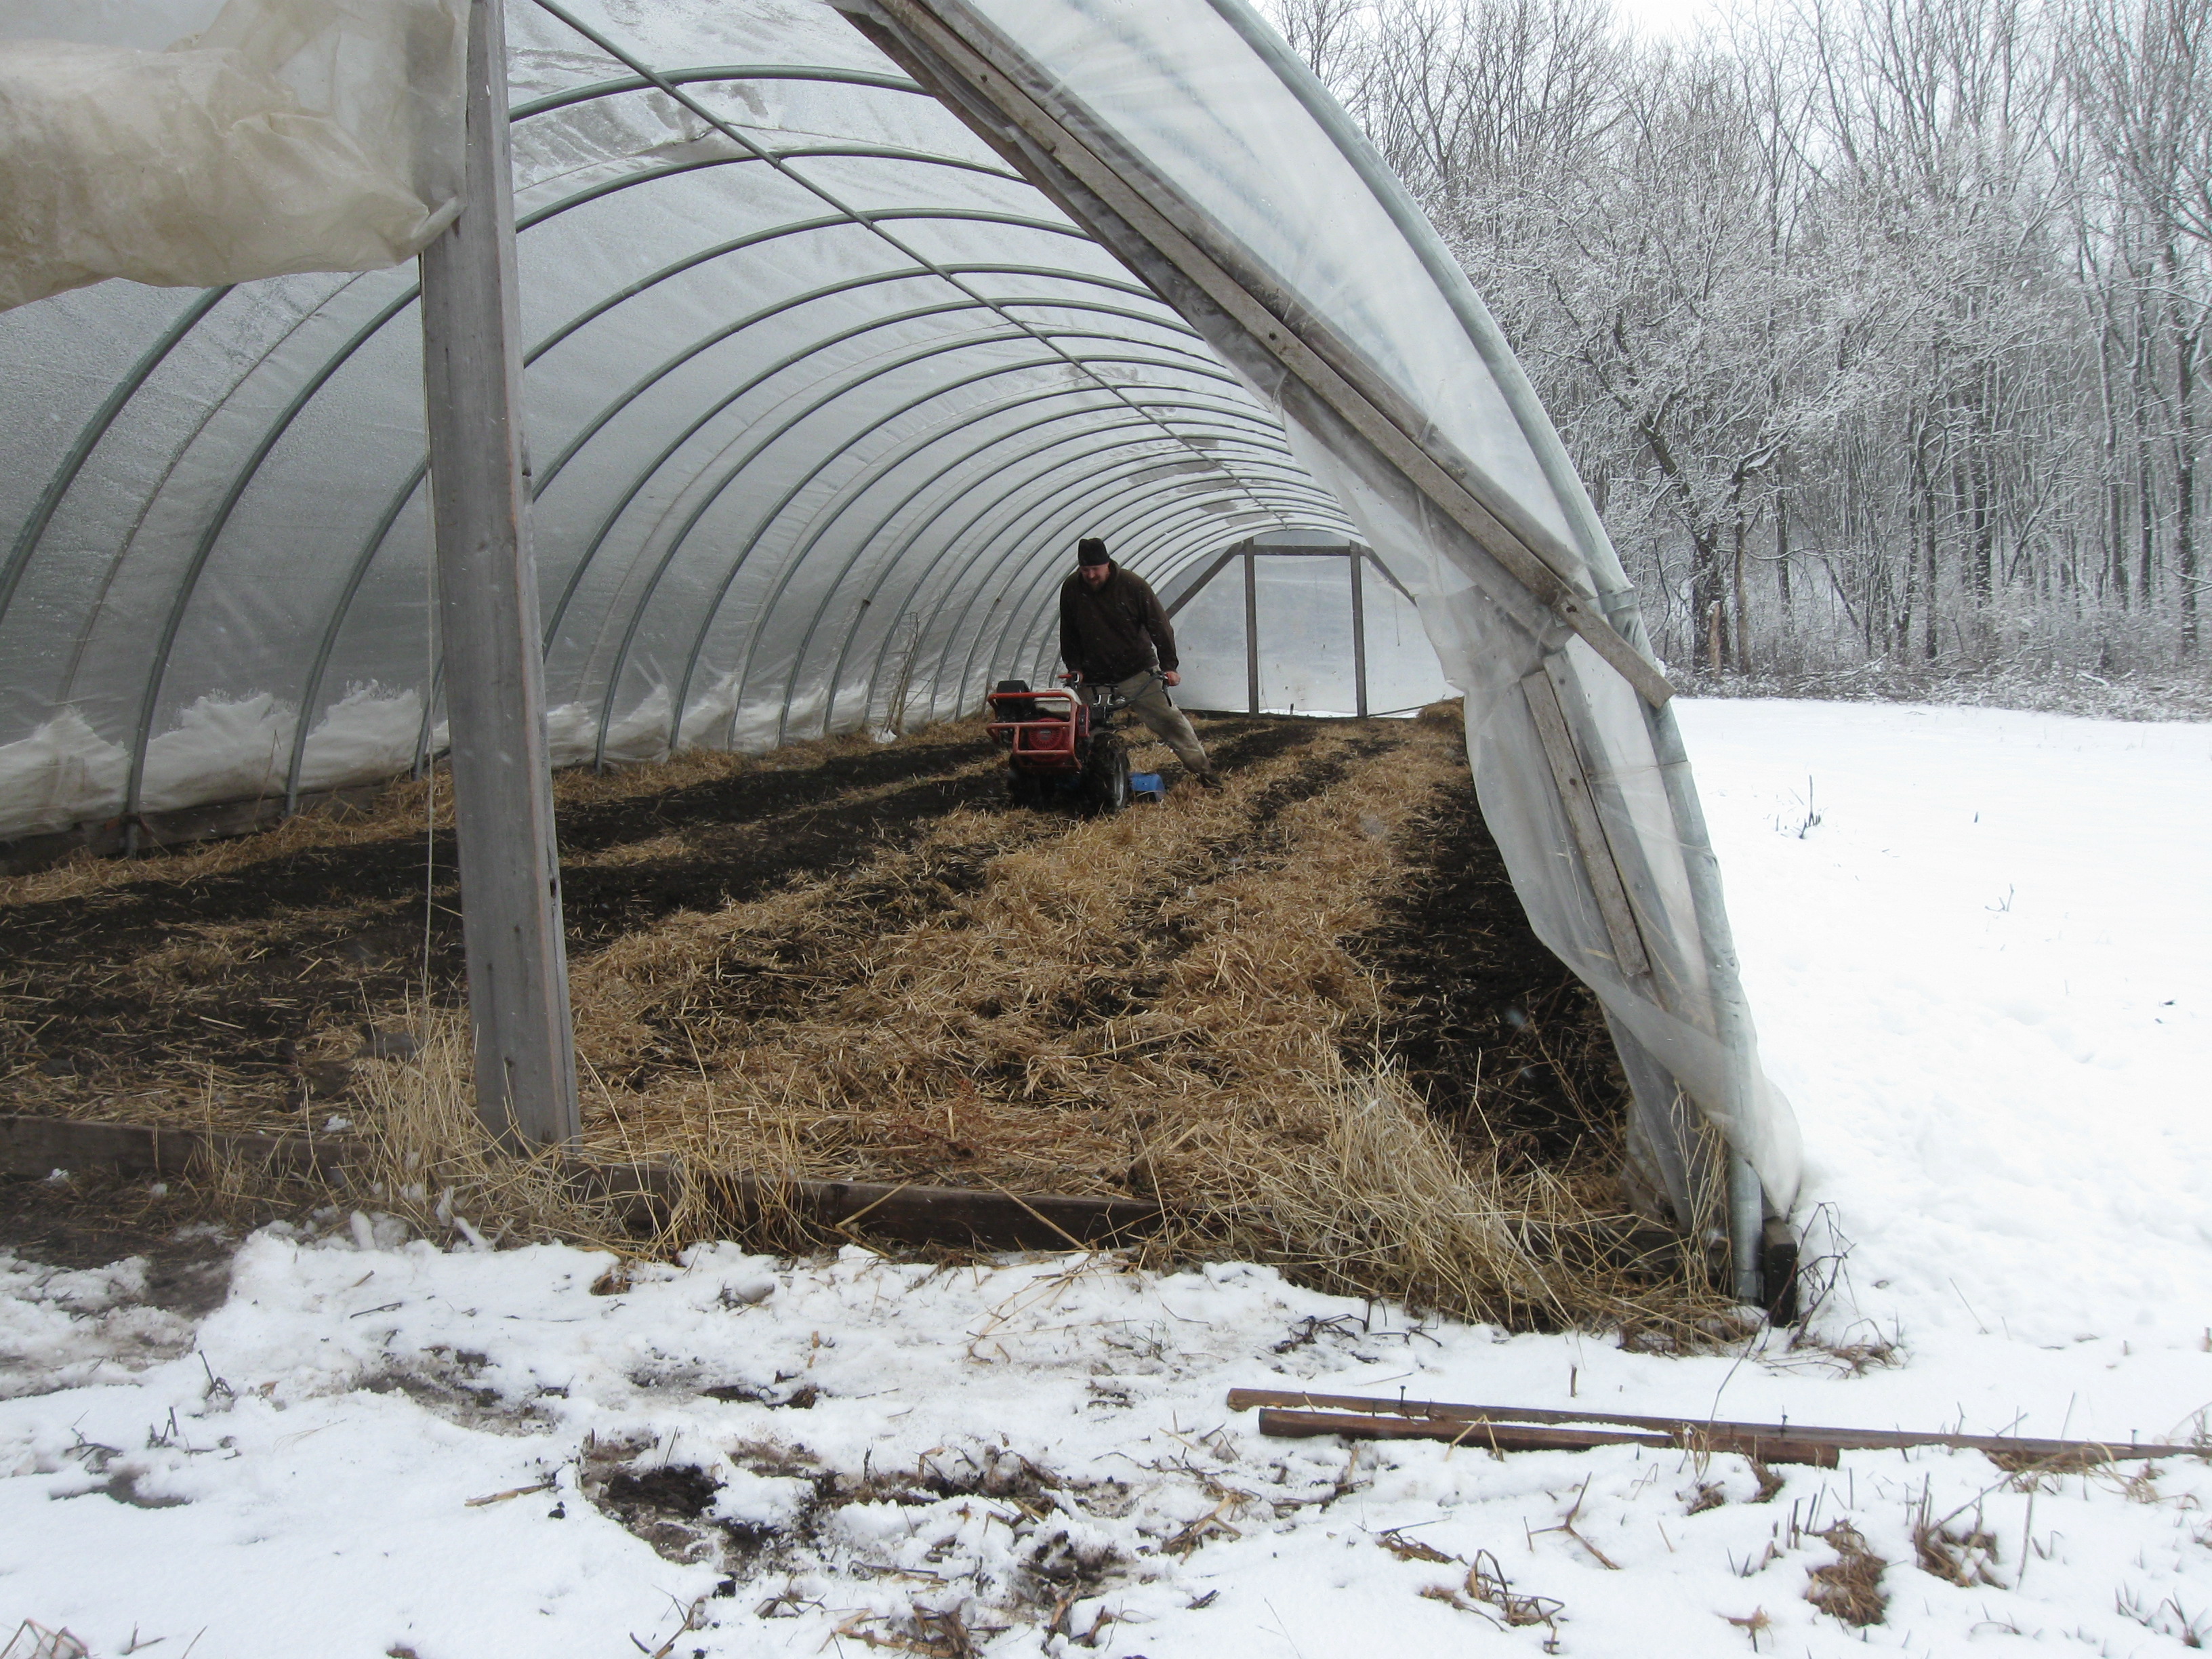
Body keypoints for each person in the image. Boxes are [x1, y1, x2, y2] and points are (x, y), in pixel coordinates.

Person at [1057, 536, 1221, 788]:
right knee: (1087, 731)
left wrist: (1169, 666)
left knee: (1170, 722)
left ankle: (1205, 774)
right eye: (1085, 570)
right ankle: (1098, 783)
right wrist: (1075, 667)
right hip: (1095, 674)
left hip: (1136, 669)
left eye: (1095, 569)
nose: (1090, 575)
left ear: (1108, 565)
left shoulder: (1131, 586)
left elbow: (1159, 625)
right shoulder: (1072, 588)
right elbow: (1068, 631)